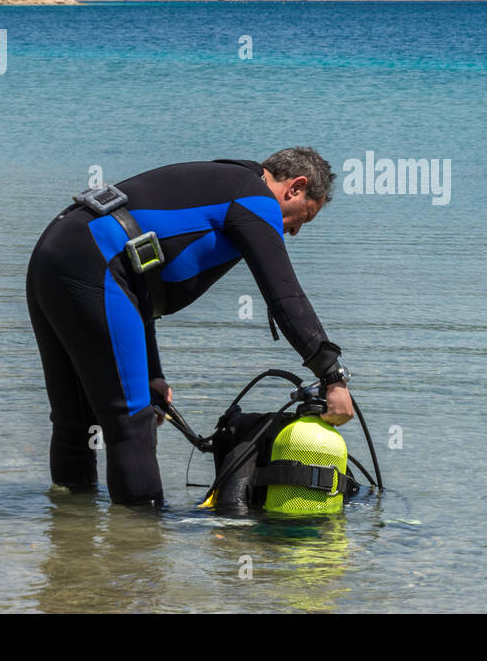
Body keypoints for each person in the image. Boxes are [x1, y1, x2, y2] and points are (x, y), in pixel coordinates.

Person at [25, 147, 352, 506]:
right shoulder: (255, 199)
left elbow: (140, 279)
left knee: (76, 421)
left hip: (56, 253)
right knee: (132, 423)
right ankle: (141, 548)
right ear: (295, 187)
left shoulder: (225, 183)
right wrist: (332, 376)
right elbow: (286, 298)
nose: (294, 231)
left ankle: (71, 537)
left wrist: (152, 374)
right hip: (95, 266)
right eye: (303, 217)